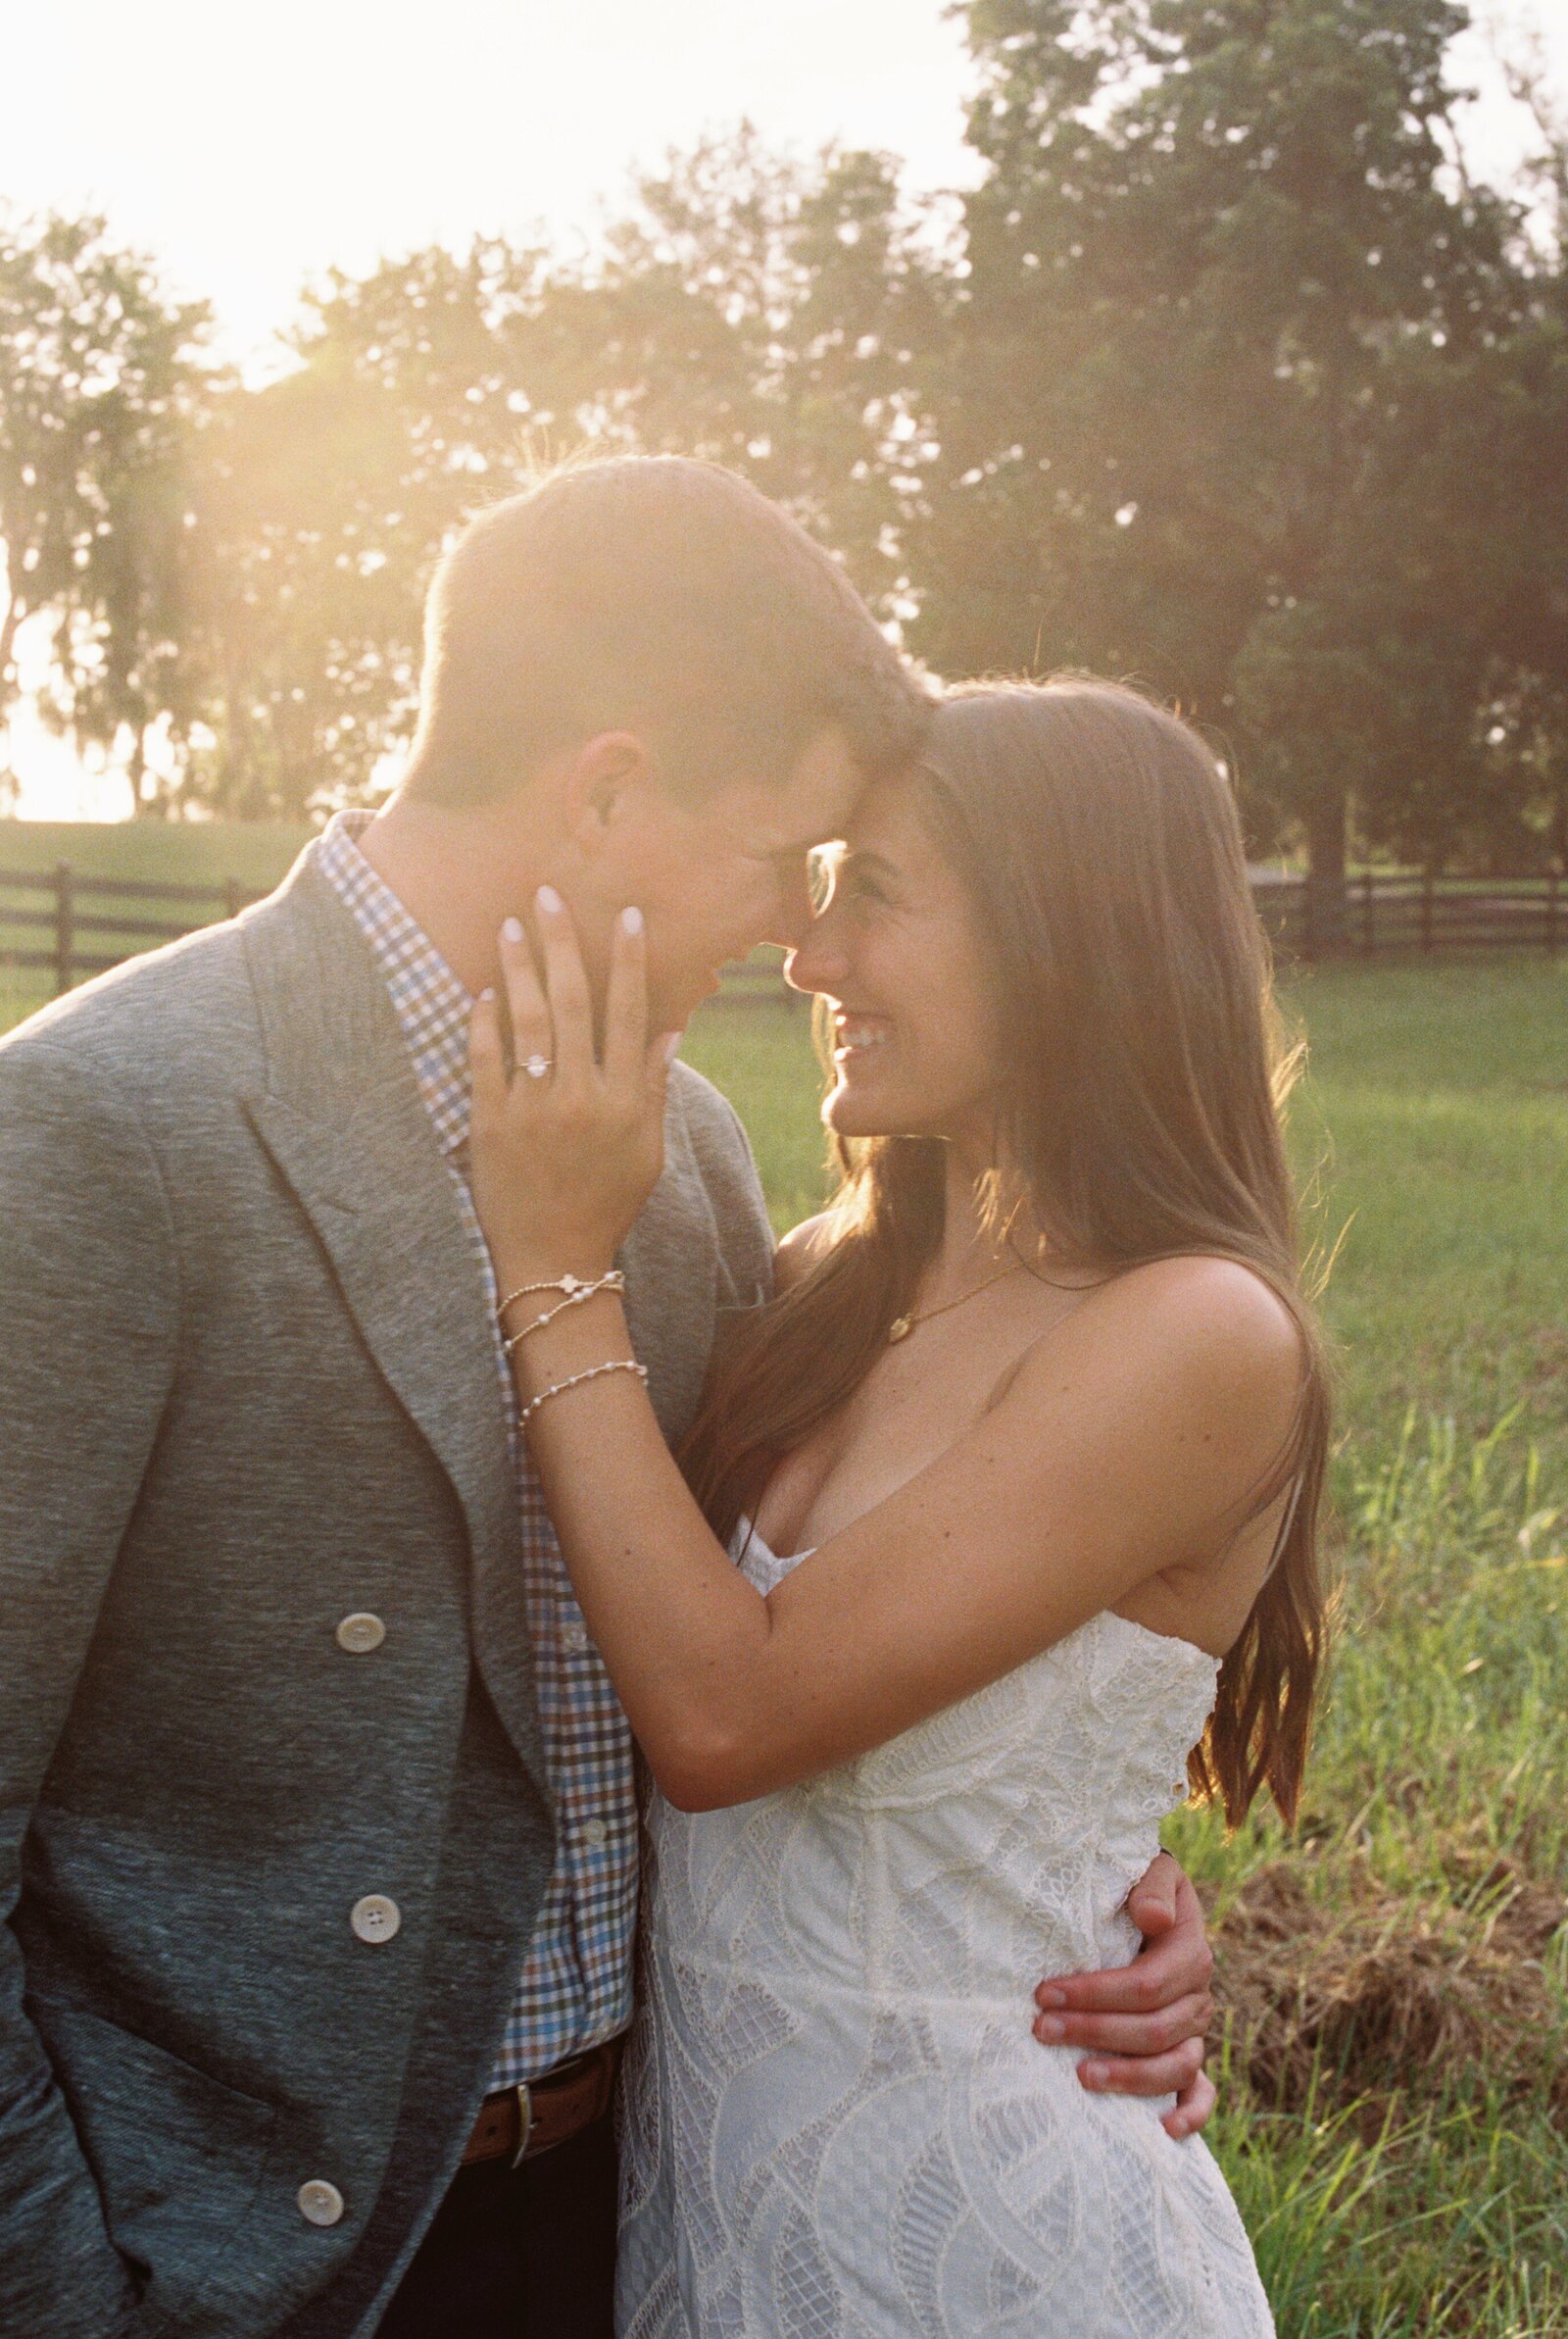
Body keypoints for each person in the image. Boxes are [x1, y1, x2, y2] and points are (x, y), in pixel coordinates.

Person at [0, 464, 1216, 2339]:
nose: (791, 944)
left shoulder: (699, 1157)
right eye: (780, 860)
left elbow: (783, 1625)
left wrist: (1082, 1887)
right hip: (251, 2274)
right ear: (608, 788)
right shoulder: (104, 1128)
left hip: (648, 2218)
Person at [467, 673, 1331, 2338]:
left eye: (873, 891)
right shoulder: (818, 1287)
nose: (811, 958)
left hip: (997, 2249)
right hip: (711, 2224)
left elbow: (726, 1712)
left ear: (1064, 935)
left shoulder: (1195, 1331)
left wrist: (554, 1262)